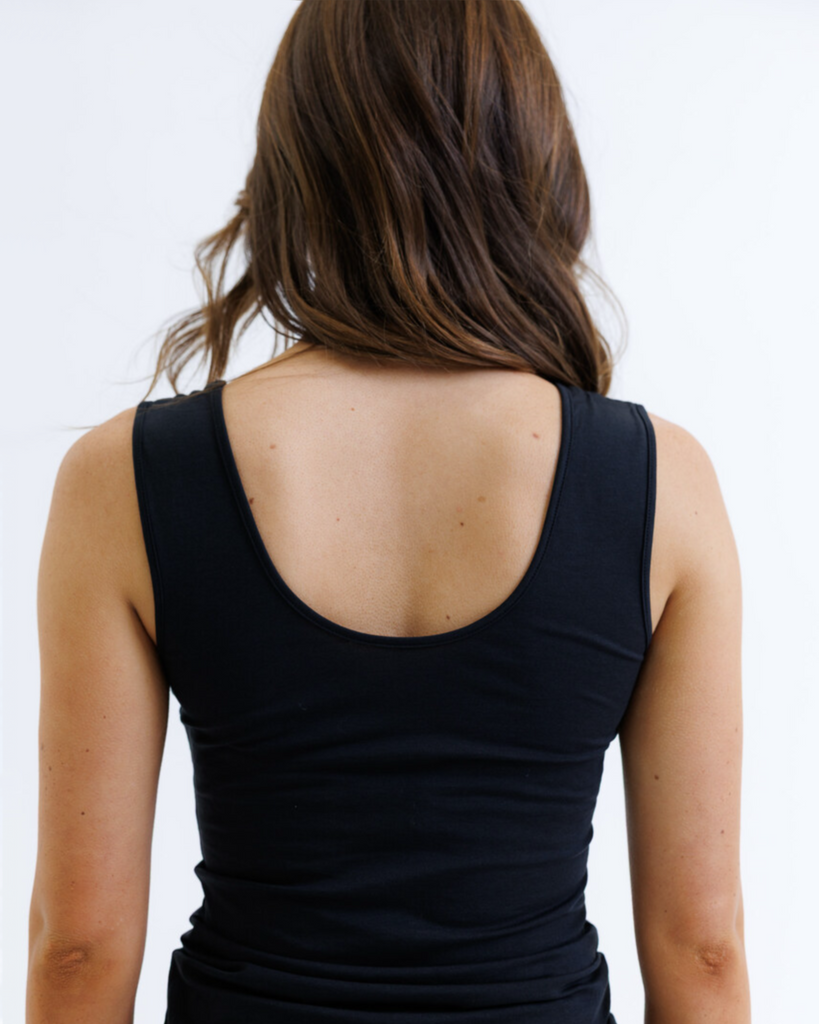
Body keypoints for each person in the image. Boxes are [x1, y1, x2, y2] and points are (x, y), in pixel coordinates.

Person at [26, 2, 750, 1022]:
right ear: (531, 157)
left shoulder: (126, 479)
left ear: (296, 167)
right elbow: (703, 945)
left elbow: (81, 943)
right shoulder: (661, 483)